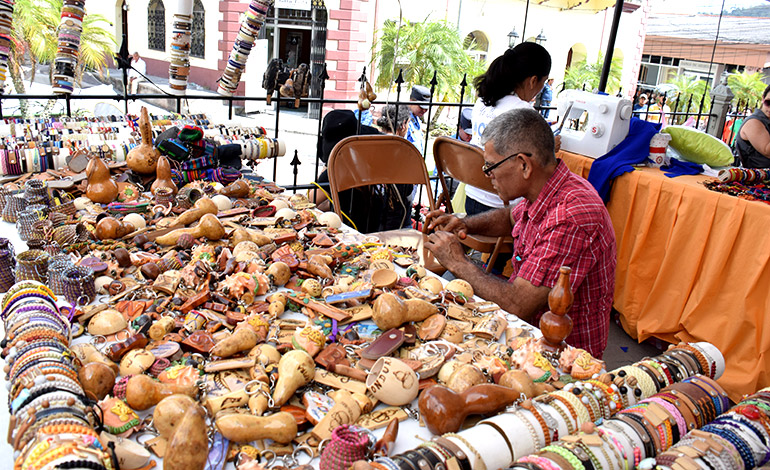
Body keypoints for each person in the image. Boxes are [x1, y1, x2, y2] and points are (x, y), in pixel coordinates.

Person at [424, 108, 617, 357]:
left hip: (562, 355)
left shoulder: (571, 215)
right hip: (528, 332)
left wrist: (457, 262)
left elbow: (517, 305)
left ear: (524, 165)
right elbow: (510, 217)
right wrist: (465, 223)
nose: (487, 174)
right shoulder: (547, 187)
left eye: (491, 166)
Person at [465, 42, 555, 216]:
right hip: (501, 208)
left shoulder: (482, 102)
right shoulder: (524, 112)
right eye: (543, 83)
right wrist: (551, 146)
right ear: (533, 80)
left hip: (472, 195)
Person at [310, 110, 412, 232]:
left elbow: (311, 200)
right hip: (388, 228)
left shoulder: (338, 169)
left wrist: (327, 166)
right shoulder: (376, 159)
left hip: (352, 232)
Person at [735, 85, 770, 168]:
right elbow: (768, 151)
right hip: (759, 177)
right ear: (763, 99)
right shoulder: (754, 122)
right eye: (768, 103)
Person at [405, 85, 431, 154]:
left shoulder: (417, 119)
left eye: (426, 108)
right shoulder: (404, 120)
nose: (424, 110)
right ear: (411, 101)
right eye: (421, 107)